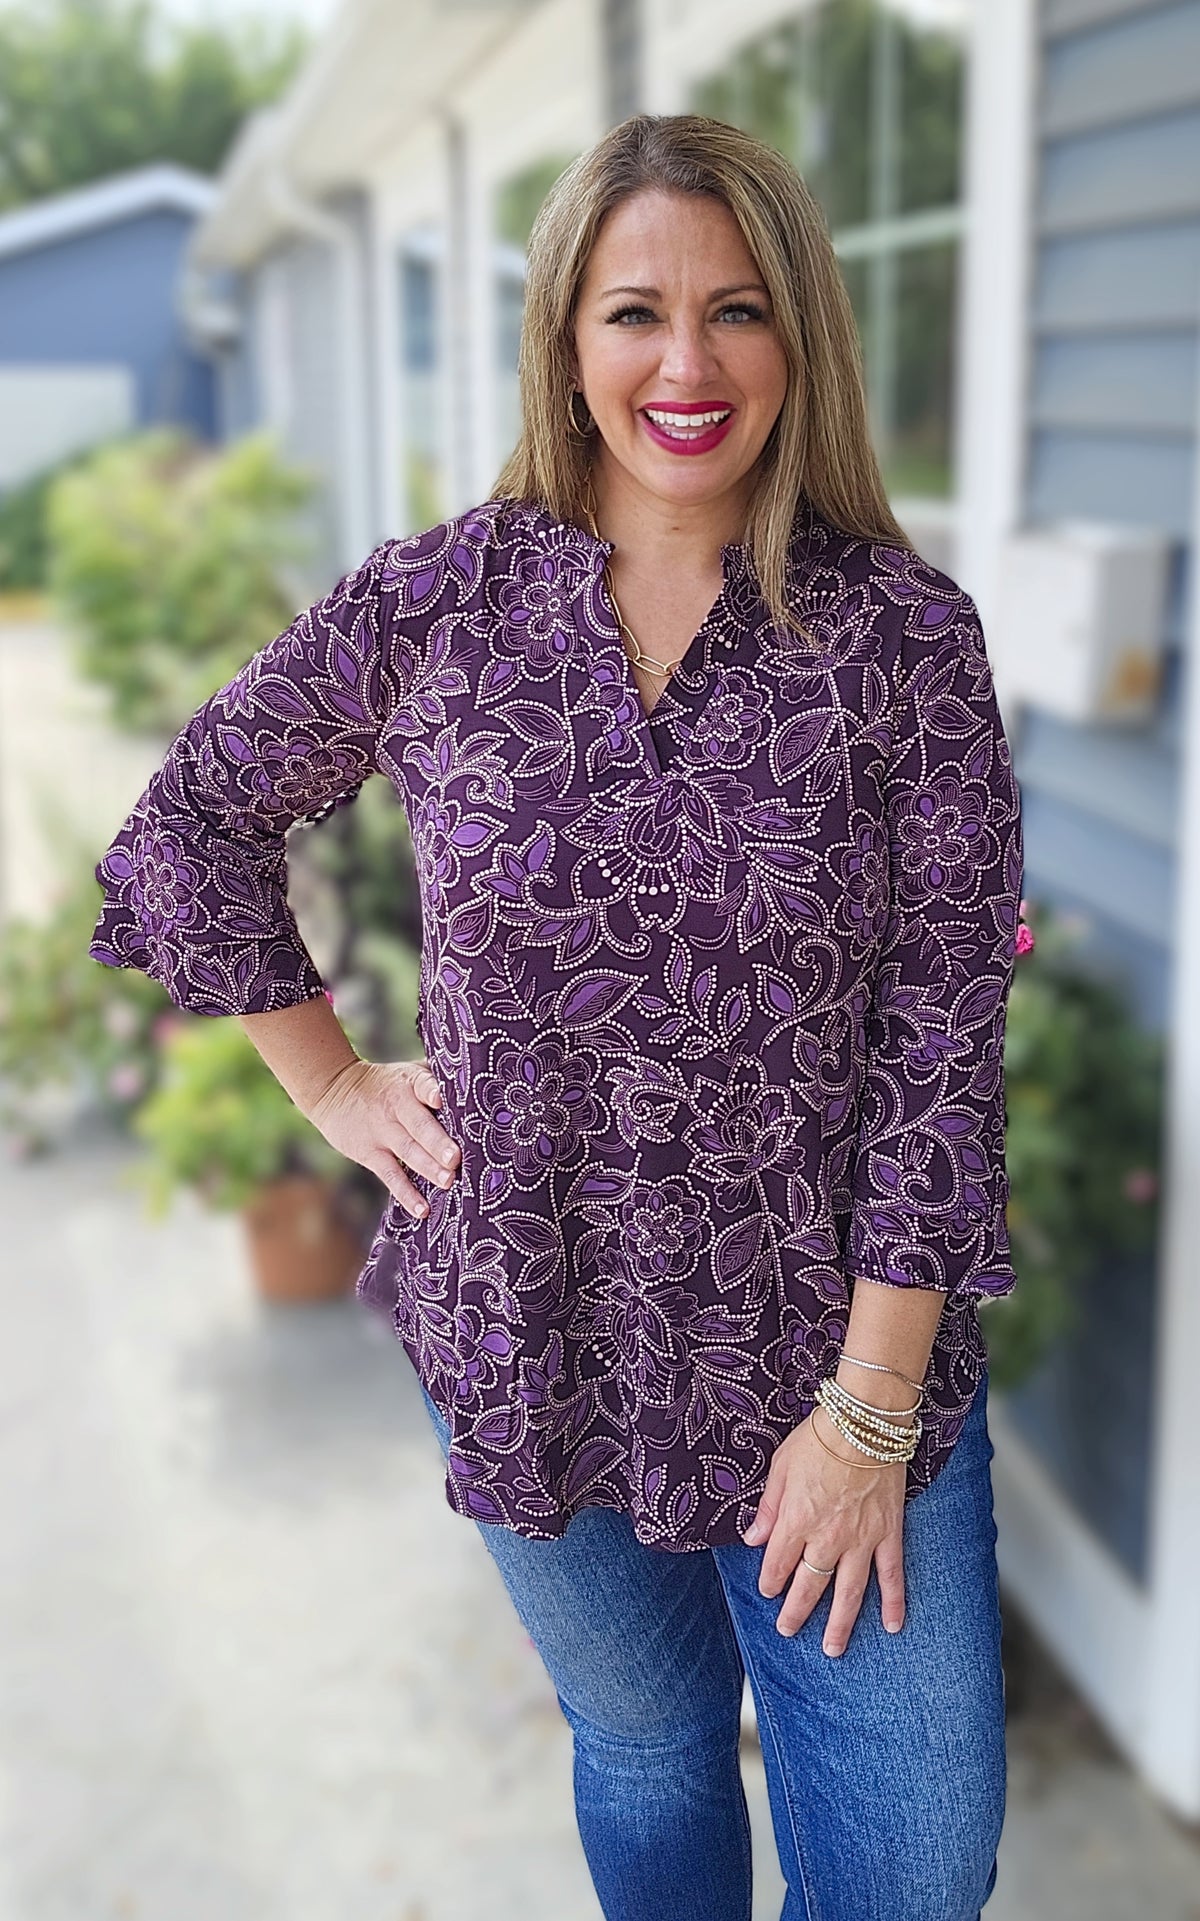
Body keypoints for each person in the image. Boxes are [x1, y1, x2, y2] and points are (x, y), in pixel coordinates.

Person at [89, 113, 1023, 1921]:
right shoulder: (439, 603)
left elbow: (942, 1040)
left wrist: (868, 1417)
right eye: (635, 313)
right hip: (537, 1330)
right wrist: (332, 1082)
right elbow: (193, 822)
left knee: (912, 1866)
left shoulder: (904, 640)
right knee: (651, 1754)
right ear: (564, 337)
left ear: (801, 335)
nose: (688, 366)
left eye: (738, 310)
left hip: (835, 1353)